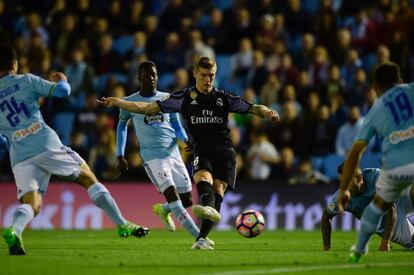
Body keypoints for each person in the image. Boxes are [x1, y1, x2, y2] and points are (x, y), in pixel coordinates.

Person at [97, 56, 279, 250]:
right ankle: (205, 223)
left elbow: (253, 108)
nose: (208, 79)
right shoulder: (182, 98)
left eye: (212, 75)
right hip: (201, 149)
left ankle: (202, 235)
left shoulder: (223, 98)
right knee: (202, 177)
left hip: (225, 151)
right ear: (194, 74)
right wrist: (118, 102)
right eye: (204, 75)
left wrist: (267, 111)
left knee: (217, 189)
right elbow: (145, 108)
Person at [0, 43, 149, 256]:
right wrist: (63, 80)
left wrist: (12, 141)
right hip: (45, 144)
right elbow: (62, 92)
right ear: (14, 64)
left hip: (19, 156)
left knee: (32, 203)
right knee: (88, 177)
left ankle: (15, 230)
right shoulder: (26, 80)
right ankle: (122, 223)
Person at [114, 60, 205, 243]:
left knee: (187, 200)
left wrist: (185, 139)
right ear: (139, 78)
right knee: (174, 198)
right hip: (153, 157)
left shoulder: (166, 98)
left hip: (173, 153)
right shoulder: (129, 102)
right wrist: (120, 154)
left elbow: (176, 125)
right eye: (147, 75)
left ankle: (163, 210)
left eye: (154, 75)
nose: (152, 78)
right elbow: (122, 126)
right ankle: (200, 238)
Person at [337, 62, 414, 262]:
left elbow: (355, 152)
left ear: (376, 87)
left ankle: (359, 250)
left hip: (396, 167)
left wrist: (345, 188)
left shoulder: (376, 110)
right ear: (400, 81)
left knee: (378, 205)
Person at [322, 164, 414, 252]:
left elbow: (391, 208)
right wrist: (326, 247)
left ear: (359, 178)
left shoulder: (376, 177)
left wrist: (385, 242)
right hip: (385, 223)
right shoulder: (340, 197)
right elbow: (326, 215)